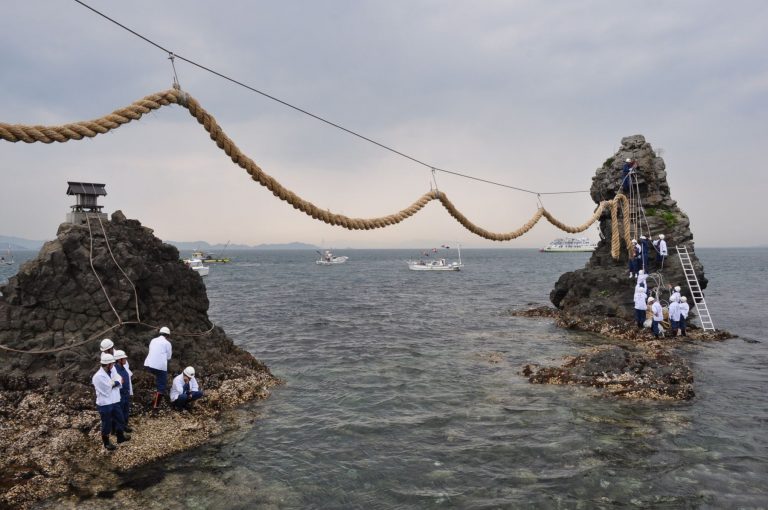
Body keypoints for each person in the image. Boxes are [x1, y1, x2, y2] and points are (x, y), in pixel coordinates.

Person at [92, 352, 130, 450]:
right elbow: (106, 389)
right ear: (108, 364)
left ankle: (120, 437)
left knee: (120, 419)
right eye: (112, 364)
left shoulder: (112, 371)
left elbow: (118, 378)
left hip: (115, 400)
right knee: (106, 423)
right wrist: (116, 382)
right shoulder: (98, 376)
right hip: (105, 404)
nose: (114, 365)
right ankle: (106, 443)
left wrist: (114, 382)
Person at [144, 326, 172, 414]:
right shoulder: (167, 343)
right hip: (160, 368)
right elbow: (169, 357)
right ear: (168, 335)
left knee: (151, 381)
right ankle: (155, 408)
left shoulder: (153, 340)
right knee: (161, 387)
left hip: (148, 364)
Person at [113, 350, 133, 433]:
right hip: (119, 394)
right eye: (124, 358)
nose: (125, 360)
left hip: (126, 393)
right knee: (119, 412)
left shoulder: (124, 367)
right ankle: (117, 429)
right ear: (119, 360)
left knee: (125, 410)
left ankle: (124, 425)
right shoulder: (114, 370)